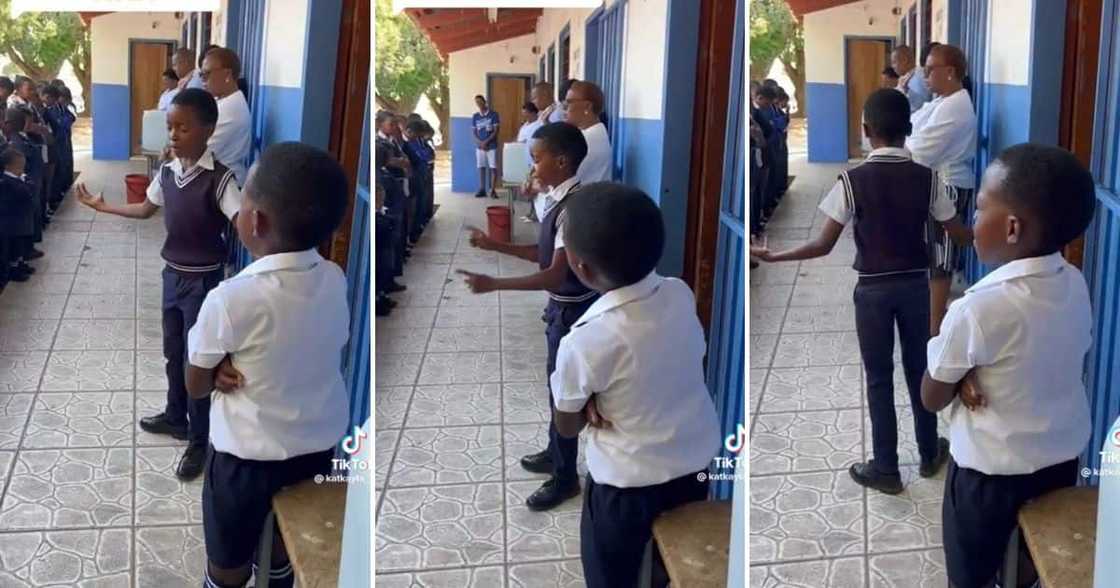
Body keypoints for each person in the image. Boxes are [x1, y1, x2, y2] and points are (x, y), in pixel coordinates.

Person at [752, 89, 971, 494]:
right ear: (909, 129)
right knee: (919, 369)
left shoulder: (851, 181)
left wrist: (775, 256)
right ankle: (928, 452)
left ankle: (886, 467)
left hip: (871, 292)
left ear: (867, 131)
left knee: (878, 377)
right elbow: (958, 232)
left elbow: (822, 245)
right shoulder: (928, 180)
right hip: (915, 290)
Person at [921, 144, 1095, 588]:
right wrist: (971, 374)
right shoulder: (1074, 283)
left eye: (979, 209)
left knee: (972, 575)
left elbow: (931, 395)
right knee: (1029, 565)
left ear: (1012, 227)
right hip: (1059, 464)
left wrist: (957, 370)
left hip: (987, 480)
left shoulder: (977, 309)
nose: (974, 221)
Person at [184, 142, 349, 588]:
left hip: (244, 463)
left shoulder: (231, 298)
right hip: (316, 452)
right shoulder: (335, 279)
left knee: (228, 561)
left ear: (253, 220)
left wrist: (215, 368)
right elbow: (302, 345)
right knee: (282, 547)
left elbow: (196, 385)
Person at [551, 182, 721, 588]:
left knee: (612, 576)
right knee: (671, 566)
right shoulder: (680, 293)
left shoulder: (586, 339)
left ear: (581, 267)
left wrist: (589, 400)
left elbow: (567, 426)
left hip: (624, 490)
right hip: (694, 470)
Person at [74, 88, 242, 482]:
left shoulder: (220, 180)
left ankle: (199, 439)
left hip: (204, 282)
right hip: (172, 276)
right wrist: (105, 207)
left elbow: (241, 224)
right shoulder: (167, 172)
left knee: (196, 360)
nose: (174, 134)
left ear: (208, 130)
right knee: (171, 352)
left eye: (183, 127)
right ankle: (175, 415)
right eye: (171, 127)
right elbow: (146, 209)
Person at [458, 122, 599, 511]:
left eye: (537, 159)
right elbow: (544, 257)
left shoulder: (573, 209)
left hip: (571, 312)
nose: (532, 167)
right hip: (560, 309)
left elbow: (554, 274)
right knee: (555, 388)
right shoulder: (558, 199)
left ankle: (566, 478)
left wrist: (494, 284)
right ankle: (557, 452)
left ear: (562, 160)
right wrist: (494, 245)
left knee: (564, 395)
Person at [907, 43, 978, 336]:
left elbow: (919, 150)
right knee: (935, 254)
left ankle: (934, 330)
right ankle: (934, 320)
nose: (924, 76)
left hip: (950, 187)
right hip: (938, 182)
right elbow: (911, 127)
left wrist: (909, 140)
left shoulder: (957, 106)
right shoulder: (942, 101)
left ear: (949, 72)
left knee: (941, 259)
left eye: (929, 69)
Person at [201, 47, 251, 187]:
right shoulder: (222, 101)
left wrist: (173, 152)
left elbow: (200, 152)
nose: (203, 80)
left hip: (226, 185)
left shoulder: (230, 108)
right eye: (201, 75)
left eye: (207, 74)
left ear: (227, 75)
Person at [5, 108, 44, 258]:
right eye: (28, 120)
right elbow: (21, 163)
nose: (30, 123)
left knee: (32, 217)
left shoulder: (26, 137)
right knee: (25, 221)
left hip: (32, 183)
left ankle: (29, 248)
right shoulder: (16, 141)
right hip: (25, 184)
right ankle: (25, 252)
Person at [564, 81, 612, 184]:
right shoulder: (588, 133)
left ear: (587, 106)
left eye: (569, 102)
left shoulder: (589, 139)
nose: (565, 108)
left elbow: (562, 179)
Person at [0, 148, 34, 286]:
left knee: (20, 244)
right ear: (9, 166)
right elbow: (24, 192)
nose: (22, 168)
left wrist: (26, 181)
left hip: (20, 220)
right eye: (19, 166)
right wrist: (25, 182)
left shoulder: (20, 178)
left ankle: (21, 264)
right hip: (10, 222)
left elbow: (31, 187)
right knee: (12, 248)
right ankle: (12, 271)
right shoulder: (6, 182)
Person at [471, 95, 500, 199]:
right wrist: (480, 143)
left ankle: (493, 190)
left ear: (485, 102)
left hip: (491, 146)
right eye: (476, 102)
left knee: (493, 168)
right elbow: (474, 132)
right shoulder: (475, 116)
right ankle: (482, 189)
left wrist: (486, 142)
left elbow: (496, 131)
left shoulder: (494, 115)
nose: (479, 104)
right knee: (481, 167)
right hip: (480, 147)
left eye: (480, 101)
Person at [892, 45, 932, 112]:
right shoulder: (906, 77)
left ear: (905, 60)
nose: (893, 66)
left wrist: (907, 91)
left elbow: (922, 105)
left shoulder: (919, 77)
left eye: (894, 62)